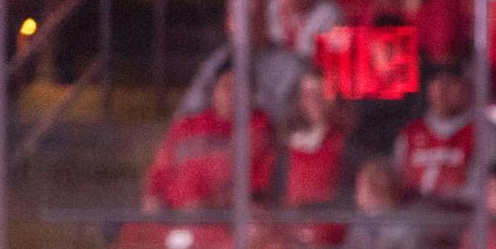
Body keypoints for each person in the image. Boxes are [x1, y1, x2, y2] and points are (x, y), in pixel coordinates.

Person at [143, 69, 276, 212]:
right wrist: (153, 198)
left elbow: (252, 190)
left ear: (251, 95)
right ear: (214, 90)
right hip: (172, 215)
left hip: (222, 218)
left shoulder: (259, 127)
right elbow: (159, 173)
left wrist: (206, 204)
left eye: (241, 88)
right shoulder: (185, 126)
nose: (233, 93)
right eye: (227, 86)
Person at [392, 63, 475, 202]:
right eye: (437, 83)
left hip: (462, 217)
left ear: (466, 87)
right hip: (414, 216)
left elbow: (482, 190)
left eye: (450, 83)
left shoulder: (483, 132)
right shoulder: (410, 133)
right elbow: (397, 183)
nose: (442, 90)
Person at [282, 70, 349, 212]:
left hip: (331, 221)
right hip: (292, 224)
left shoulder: (345, 142)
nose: (314, 100)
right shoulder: (286, 142)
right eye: (308, 94)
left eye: (320, 93)